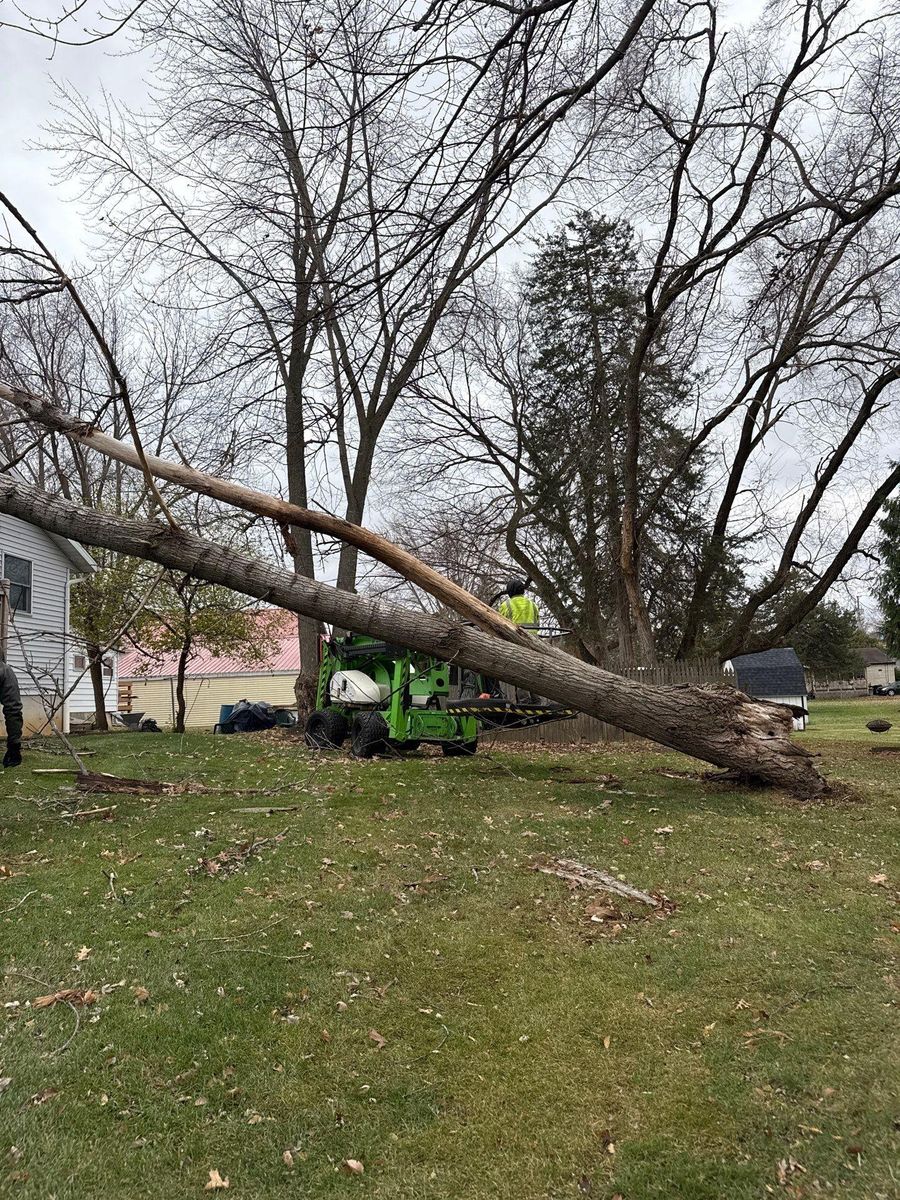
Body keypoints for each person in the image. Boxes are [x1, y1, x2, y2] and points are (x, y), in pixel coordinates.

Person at [497, 579, 540, 703]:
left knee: (520, 671)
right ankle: (536, 699)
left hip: (516, 642)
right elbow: (537, 624)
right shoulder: (533, 605)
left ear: (510, 591)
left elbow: (500, 625)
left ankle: (524, 700)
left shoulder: (506, 605)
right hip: (534, 643)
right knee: (532, 671)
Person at [1, 661, 23, 768]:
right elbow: (13, 709)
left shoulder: (4, 671)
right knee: (13, 709)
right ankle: (14, 751)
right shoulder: (5, 671)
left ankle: (13, 750)